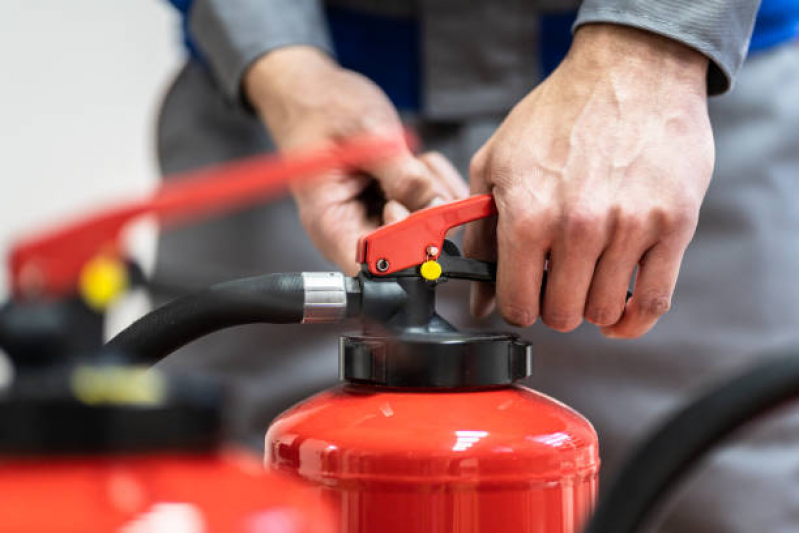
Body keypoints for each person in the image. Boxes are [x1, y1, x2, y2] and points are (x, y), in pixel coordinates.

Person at [157, 1, 799, 530]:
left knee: (709, 501)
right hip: (285, 125)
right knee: (230, 503)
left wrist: (651, 49)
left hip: (678, 114)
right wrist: (282, 67)